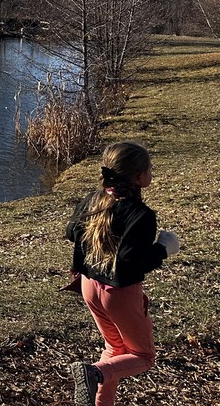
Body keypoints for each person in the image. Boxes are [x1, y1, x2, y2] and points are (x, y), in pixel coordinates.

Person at [65, 141, 181, 406]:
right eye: (149, 169)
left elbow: (72, 232)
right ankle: (93, 373)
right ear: (139, 177)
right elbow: (131, 263)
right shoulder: (140, 214)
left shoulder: (94, 199)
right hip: (118, 293)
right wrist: (163, 249)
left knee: (115, 349)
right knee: (143, 356)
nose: (151, 173)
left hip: (88, 284)